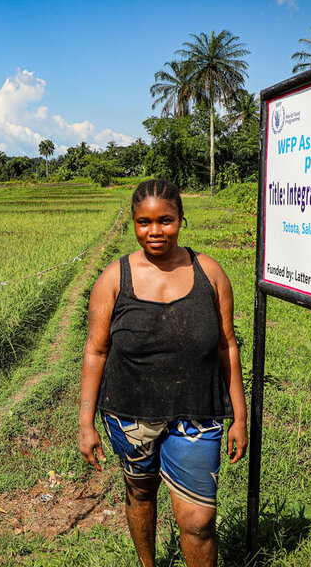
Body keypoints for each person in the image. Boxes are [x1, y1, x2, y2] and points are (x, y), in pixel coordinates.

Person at [79, 179, 248, 567]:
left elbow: (227, 345)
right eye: (144, 222)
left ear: (182, 219)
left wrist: (239, 416)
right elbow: (96, 350)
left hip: (197, 413)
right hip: (129, 415)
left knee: (200, 521)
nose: (155, 232)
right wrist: (85, 422)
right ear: (134, 224)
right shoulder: (113, 278)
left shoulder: (210, 273)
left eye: (165, 220)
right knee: (141, 493)